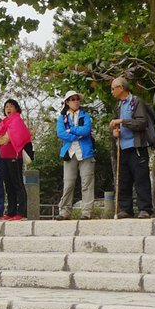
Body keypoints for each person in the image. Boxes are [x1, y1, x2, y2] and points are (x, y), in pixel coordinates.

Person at [108, 76, 155, 219]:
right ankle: (126, 209)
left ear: (121, 88)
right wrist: (114, 132)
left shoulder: (136, 102)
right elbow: (115, 126)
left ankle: (145, 209)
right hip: (122, 148)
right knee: (124, 180)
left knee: (141, 179)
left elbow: (142, 123)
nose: (111, 91)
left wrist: (122, 121)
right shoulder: (118, 106)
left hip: (137, 147)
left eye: (113, 88)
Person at [55, 91, 96, 220]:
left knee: (87, 182)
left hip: (85, 152)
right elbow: (61, 133)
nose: (76, 101)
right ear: (67, 102)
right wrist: (76, 136)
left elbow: (86, 130)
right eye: (72, 99)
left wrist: (71, 129)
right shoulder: (62, 117)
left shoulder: (85, 115)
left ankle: (86, 212)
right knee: (68, 183)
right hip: (69, 152)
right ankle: (64, 211)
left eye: (77, 99)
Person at [0, 99, 32, 220]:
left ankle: (22, 213)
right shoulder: (3, 122)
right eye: (6, 107)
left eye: (11, 106)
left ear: (16, 108)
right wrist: (3, 138)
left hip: (14, 156)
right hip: (3, 156)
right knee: (8, 185)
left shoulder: (17, 121)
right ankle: (11, 211)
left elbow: (10, 137)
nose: (8, 108)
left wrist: (5, 138)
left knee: (17, 184)